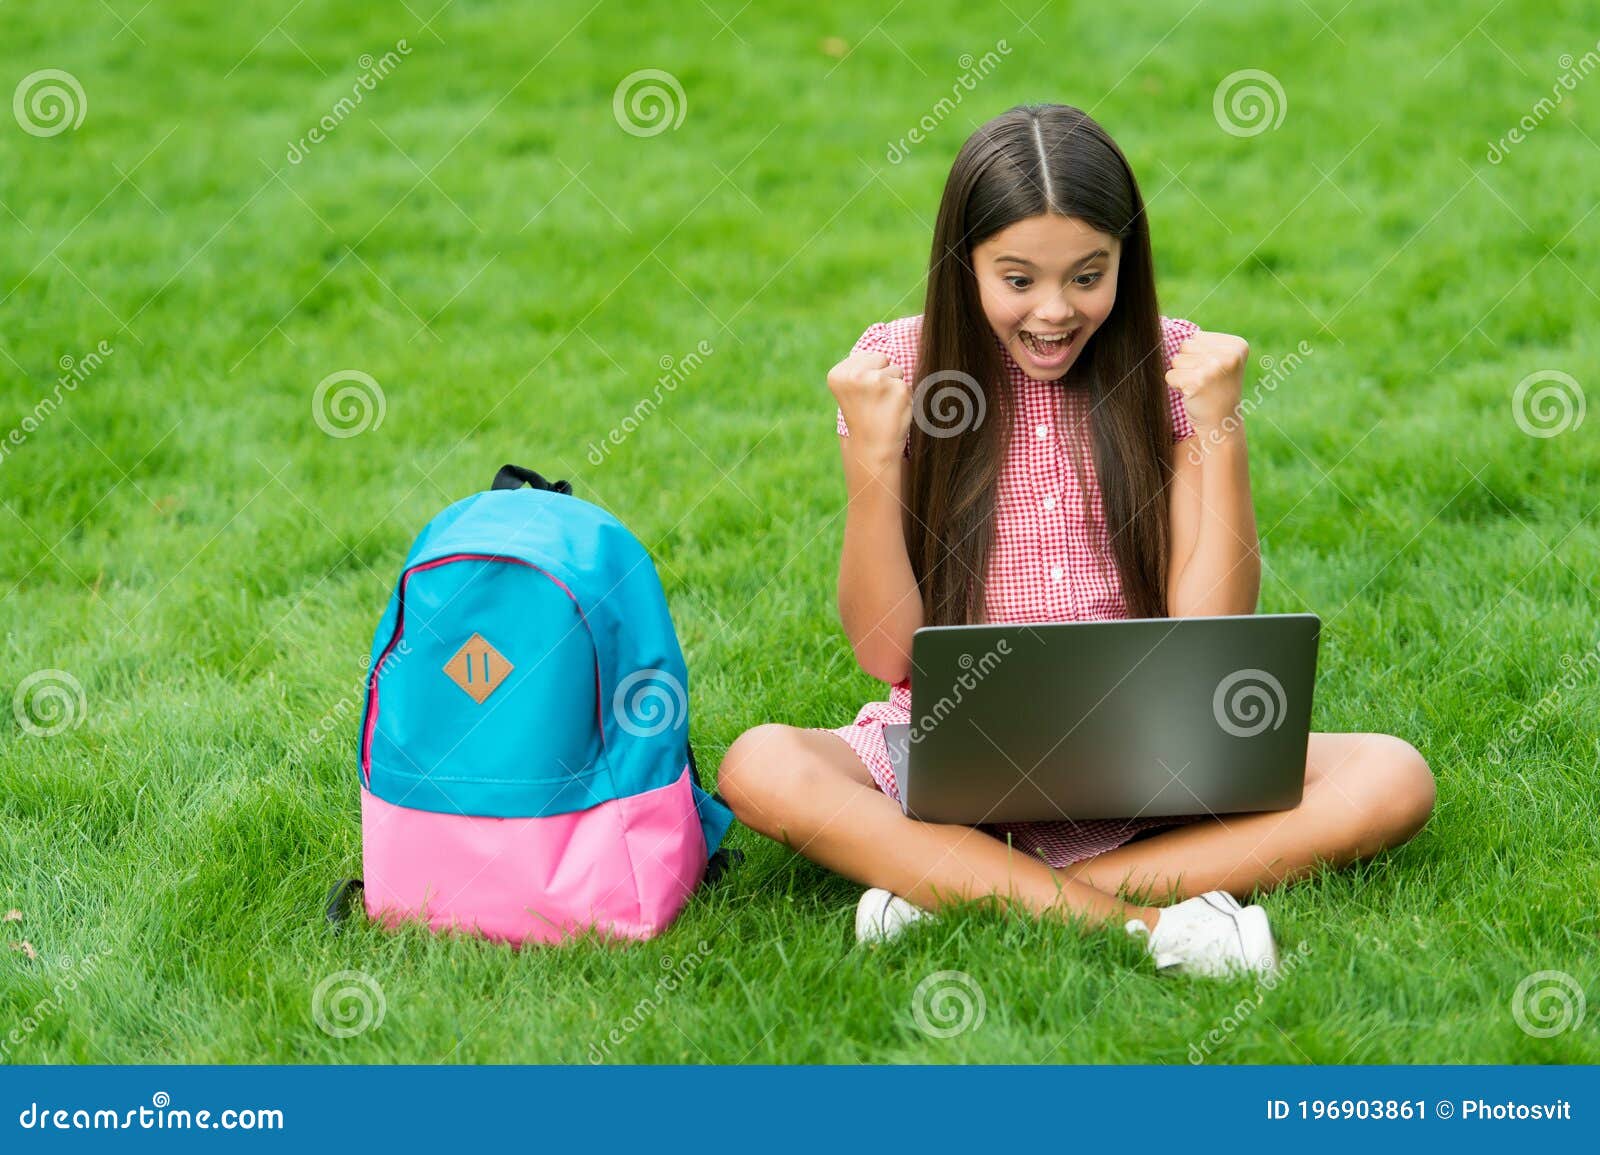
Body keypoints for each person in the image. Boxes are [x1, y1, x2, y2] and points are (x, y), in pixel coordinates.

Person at [717, 103, 1435, 978]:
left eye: (1088, 276)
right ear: (963, 266)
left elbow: (1206, 626)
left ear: (1125, 266)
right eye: (1017, 280)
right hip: (947, 742)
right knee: (760, 765)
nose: (1054, 312)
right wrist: (873, 459)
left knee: (1395, 777)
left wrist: (1222, 431)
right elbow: (882, 650)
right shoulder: (895, 369)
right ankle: (1148, 923)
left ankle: (954, 886)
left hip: (1146, 744)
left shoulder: (1174, 367)